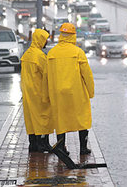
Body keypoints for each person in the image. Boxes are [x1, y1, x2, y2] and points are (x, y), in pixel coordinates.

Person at [46, 22, 95, 156]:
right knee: (82, 119)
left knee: (60, 120)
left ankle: (61, 148)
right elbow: (87, 74)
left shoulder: (51, 53)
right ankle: (83, 148)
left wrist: (48, 94)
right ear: (73, 36)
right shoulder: (78, 52)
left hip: (58, 94)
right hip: (76, 93)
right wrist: (90, 92)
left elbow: (47, 76)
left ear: (61, 35)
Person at [20, 28, 52, 153]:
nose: (46, 43)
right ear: (40, 40)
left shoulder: (27, 54)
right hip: (39, 91)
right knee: (43, 118)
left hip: (27, 92)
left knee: (31, 118)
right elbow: (47, 74)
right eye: (45, 40)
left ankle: (32, 144)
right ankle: (43, 144)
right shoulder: (40, 56)